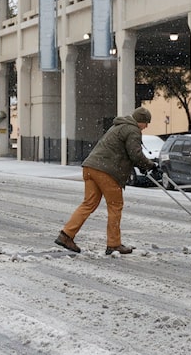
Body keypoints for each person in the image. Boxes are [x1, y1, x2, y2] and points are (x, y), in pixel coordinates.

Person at [55, 107, 158, 255]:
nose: (146, 126)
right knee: (115, 206)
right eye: (146, 123)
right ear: (140, 121)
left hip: (90, 167)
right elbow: (135, 154)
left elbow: (126, 152)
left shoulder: (118, 126)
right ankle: (114, 244)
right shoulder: (133, 130)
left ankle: (66, 235)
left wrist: (141, 166)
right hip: (106, 171)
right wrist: (151, 165)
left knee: (88, 204)